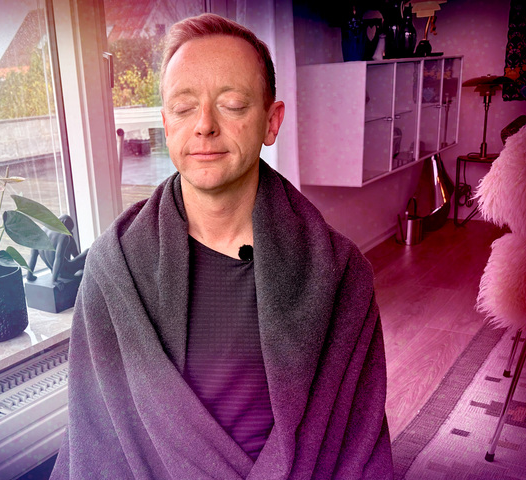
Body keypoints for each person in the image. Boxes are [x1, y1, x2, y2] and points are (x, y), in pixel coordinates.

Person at [51, 13, 393, 479]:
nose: (205, 125)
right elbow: (97, 443)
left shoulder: (340, 274)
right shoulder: (115, 270)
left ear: (271, 122)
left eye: (232, 104)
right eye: (183, 107)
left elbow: (357, 445)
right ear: (166, 125)